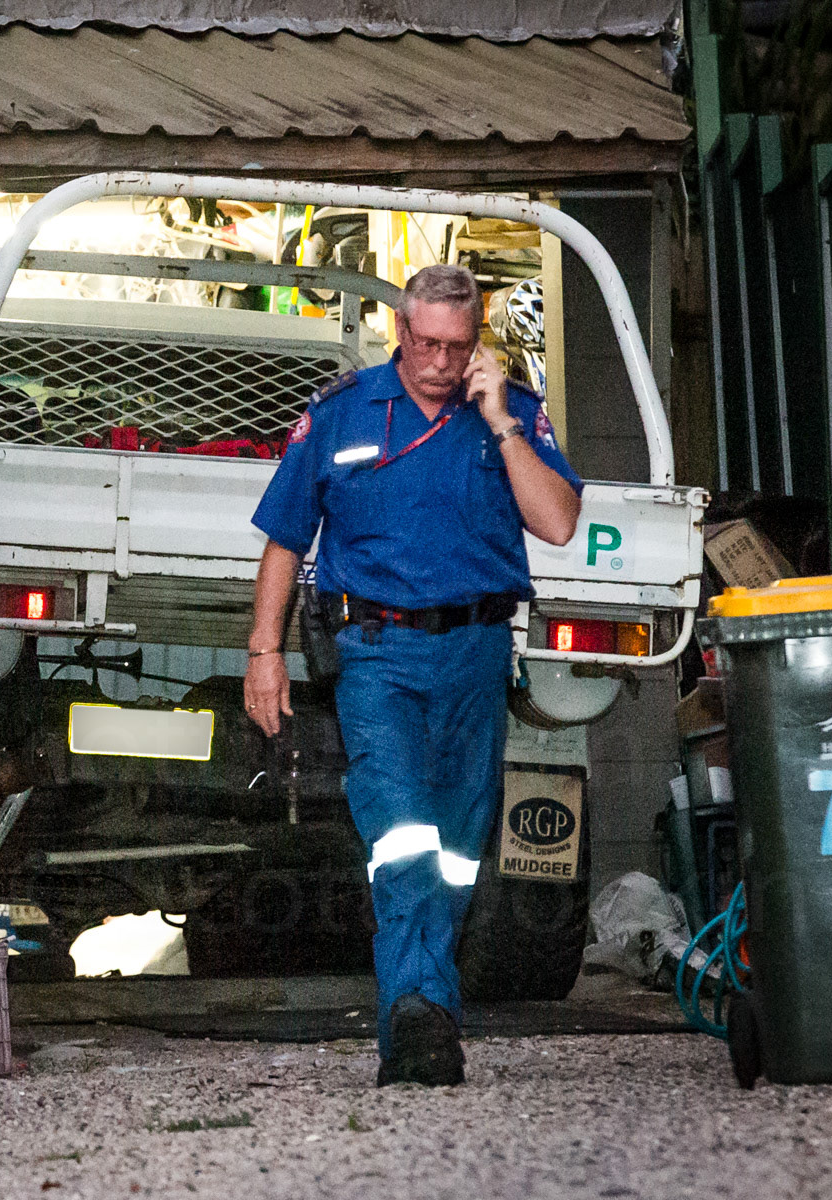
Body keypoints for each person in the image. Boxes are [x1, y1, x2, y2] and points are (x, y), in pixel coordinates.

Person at [242, 264, 582, 1086]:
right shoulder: (342, 413)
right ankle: (420, 1009)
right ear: (400, 332)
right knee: (400, 835)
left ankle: (421, 1020)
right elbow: (286, 540)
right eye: (425, 343)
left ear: (477, 343)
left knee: (460, 850)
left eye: (455, 347)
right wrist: (264, 653)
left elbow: (560, 523)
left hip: (474, 652)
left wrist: (500, 419)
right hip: (376, 655)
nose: (438, 361)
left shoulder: (511, 417)